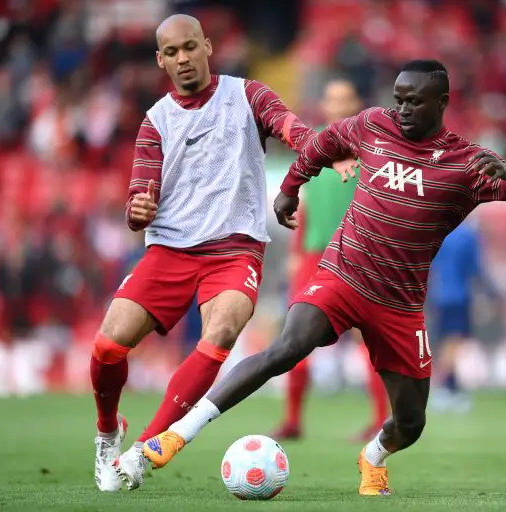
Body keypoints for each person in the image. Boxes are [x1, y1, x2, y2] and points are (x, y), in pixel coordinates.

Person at [142, 59, 506, 496]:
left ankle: (373, 455)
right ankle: (179, 432)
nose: (404, 109)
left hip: (400, 304)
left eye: (415, 101)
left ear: (442, 102)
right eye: (400, 100)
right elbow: (323, 145)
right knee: (287, 347)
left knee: (410, 423)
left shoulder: (467, 164)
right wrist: (289, 189)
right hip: (342, 275)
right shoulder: (374, 125)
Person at [91, 14, 353, 492]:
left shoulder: (248, 95)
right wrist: (139, 209)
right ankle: (109, 431)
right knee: (108, 345)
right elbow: (137, 198)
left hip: (234, 250)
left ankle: (143, 451)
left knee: (223, 329)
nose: (183, 58)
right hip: (169, 249)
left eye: (190, 47)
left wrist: (324, 150)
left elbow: (291, 127)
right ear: (160, 60)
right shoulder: (156, 121)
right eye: (171, 53)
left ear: (207, 46)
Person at [271, 78, 389, 442]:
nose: (338, 105)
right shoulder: (315, 145)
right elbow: (305, 202)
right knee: (296, 337)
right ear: (324, 104)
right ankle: (292, 420)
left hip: (359, 254)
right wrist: (294, 253)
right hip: (312, 255)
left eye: (346, 99)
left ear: (357, 103)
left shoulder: (374, 149)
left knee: (371, 341)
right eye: (332, 99)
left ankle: (382, 420)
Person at [426, 218, 500, 413]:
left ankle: (452, 387)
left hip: (437, 294)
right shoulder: (467, 235)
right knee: (454, 341)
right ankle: (443, 387)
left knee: (445, 341)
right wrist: (492, 293)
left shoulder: (438, 230)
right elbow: (476, 268)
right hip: (458, 295)